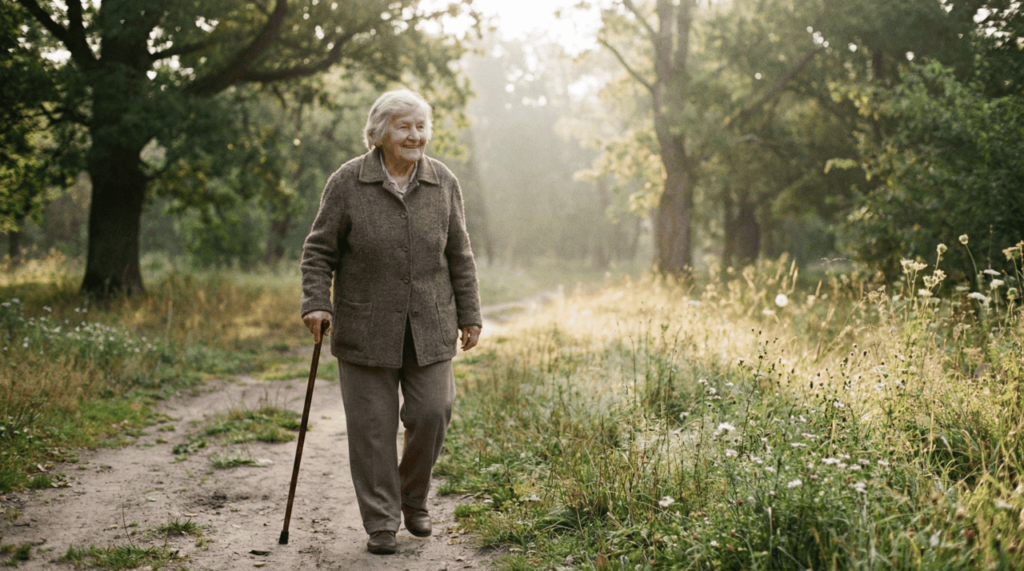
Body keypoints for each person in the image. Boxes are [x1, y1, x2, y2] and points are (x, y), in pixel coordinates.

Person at [299, 89, 482, 555]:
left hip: (431, 324)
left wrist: (470, 313)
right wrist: (316, 302)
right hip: (365, 327)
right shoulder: (347, 182)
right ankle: (381, 521)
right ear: (380, 133)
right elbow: (319, 251)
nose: (414, 135)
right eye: (404, 126)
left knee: (433, 410)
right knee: (372, 429)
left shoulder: (443, 182)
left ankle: (412, 497)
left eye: (420, 126)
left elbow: (459, 253)